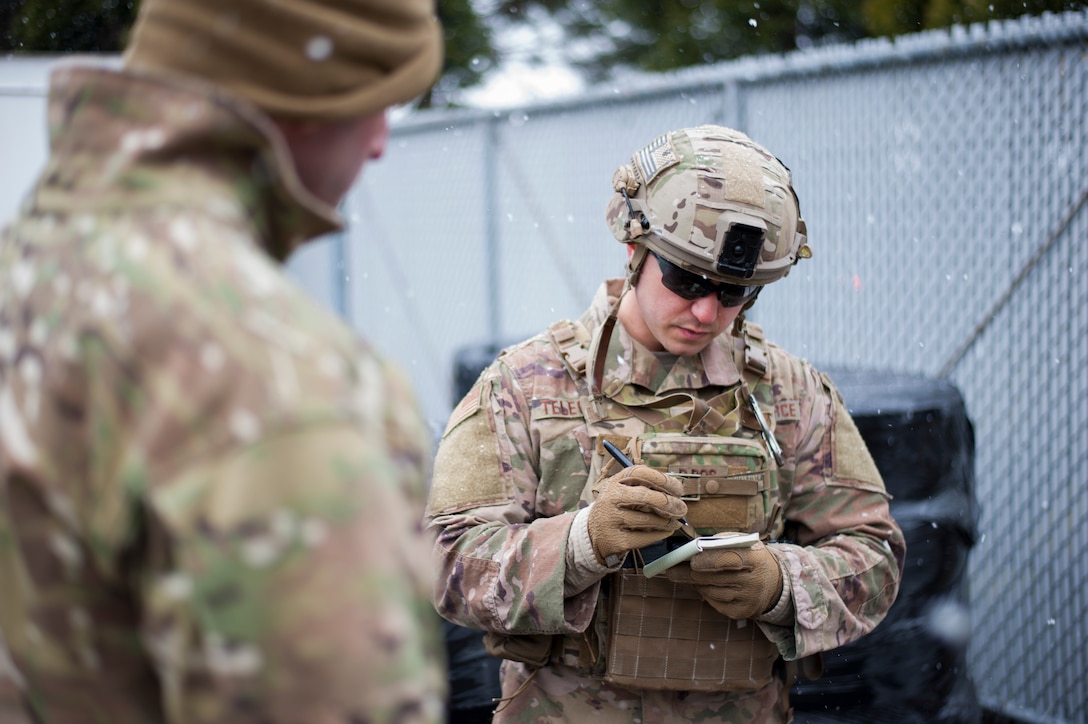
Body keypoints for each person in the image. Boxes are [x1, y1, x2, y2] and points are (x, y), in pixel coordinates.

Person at [0, 0, 446, 721]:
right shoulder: (277, 380)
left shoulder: (30, 266)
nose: (380, 145)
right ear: (306, 97)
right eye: (384, 103)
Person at [425, 125, 907, 722]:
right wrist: (580, 545)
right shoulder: (523, 386)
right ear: (634, 252)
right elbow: (447, 563)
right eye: (687, 280)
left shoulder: (789, 394)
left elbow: (876, 555)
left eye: (736, 293)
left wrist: (780, 584)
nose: (707, 311)